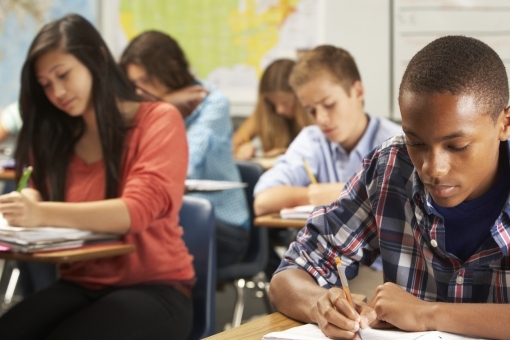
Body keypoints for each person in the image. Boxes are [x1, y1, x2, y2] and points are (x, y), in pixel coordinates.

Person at [268, 36, 510, 340]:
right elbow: (291, 274)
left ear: (505, 123)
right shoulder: (388, 169)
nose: (433, 167)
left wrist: (427, 313)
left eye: (457, 146)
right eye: (416, 141)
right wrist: (322, 303)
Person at [0, 14, 194, 339]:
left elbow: (135, 211)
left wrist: (40, 212)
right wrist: (27, 200)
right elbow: (39, 191)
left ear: (97, 59)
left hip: (155, 289)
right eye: (46, 84)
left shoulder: (158, 120)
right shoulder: (59, 132)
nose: (57, 91)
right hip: (80, 284)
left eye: (63, 74)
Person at [120, 30, 250, 268]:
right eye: (133, 84)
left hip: (222, 225)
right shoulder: (143, 109)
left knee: (148, 233)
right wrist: (166, 105)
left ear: (169, 70)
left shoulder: (213, 103)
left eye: (146, 81)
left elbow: (181, 166)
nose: (139, 93)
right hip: (171, 218)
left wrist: (163, 112)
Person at [253, 45, 402, 217]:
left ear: (358, 92)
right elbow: (262, 201)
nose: (321, 119)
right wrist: (313, 195)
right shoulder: (312, 140)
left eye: (329, 105)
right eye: (311, 110)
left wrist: (344, 191)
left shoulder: (397, 143)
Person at [232, 59, 313, 160]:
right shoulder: (262, 115)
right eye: (272, 103)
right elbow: (230, 148)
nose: (279, 110)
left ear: (301, 97)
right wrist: (240, 151)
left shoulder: (316, 115)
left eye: (285, 102)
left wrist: (288, 153)